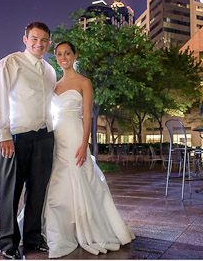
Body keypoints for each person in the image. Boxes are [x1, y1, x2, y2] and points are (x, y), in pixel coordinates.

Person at [43, 41, 135, 258]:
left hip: (75, 135)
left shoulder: (85, 82)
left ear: (75, 56)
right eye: (58, 54)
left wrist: (85, 144)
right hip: (57, 136)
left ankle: (86, 226)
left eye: (67, 53)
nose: (63, 57)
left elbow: (88, 116)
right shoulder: (54, 85)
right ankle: (61, 228)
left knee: (79, 175)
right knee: (57, 182)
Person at [0, 22, 57, 259]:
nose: (39, 44)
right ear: (25, 39)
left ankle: (33, 239)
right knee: (10, 192)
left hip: (44, 137)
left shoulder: (50, 70)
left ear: (49, 43)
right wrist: (3, 134)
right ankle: (8, 244)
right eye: (34, 39)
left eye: (44, 40)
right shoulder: (11, 63)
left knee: (37, 192)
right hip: (16, 137)